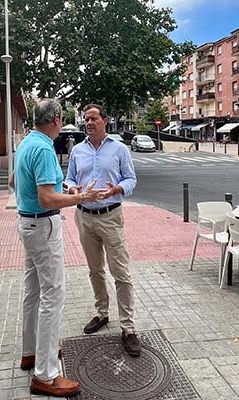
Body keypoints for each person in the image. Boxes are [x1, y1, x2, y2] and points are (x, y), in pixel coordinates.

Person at [12, 98, 105, 397]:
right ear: (54, 119)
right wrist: (81, 198)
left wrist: (65, 188)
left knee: (34, 291)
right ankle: (46, 374)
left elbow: (16, 182)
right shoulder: (43, 148)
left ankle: (32, 352)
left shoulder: (28, 143)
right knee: (54, 296)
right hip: (42, 225)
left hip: (28, 224)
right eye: (61, 118)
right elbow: (46, 199)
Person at [64, 104, 140, 356]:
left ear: (105, 120)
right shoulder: (77, 150)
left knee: (121, 272)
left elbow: (130, 179)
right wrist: (75, 191)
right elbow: (71, 179)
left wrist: (115, 189)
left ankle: (128, 327)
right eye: (85, 119)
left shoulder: (119, 149)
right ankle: (102, 313)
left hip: (111, 216)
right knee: (95, 270)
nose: (88, 122)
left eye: (93, 118)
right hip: (84, 217)